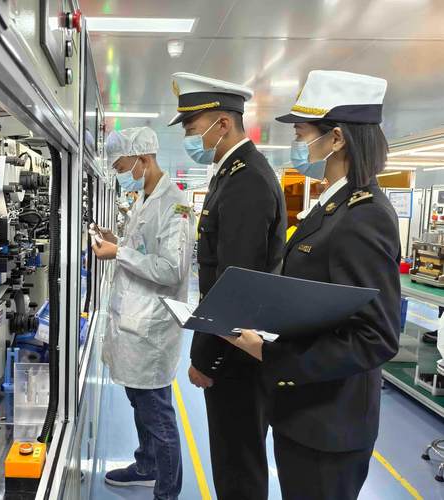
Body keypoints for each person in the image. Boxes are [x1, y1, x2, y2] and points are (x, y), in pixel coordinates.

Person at [225, 70, 400, 500]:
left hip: (329, 425)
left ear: (336, 138)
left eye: (302, 132)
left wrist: (270, 354)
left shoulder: (364, 216)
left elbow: (376, 337)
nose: (297, 142)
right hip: (304, 412)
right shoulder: (333, 206)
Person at [169, 72, 287, 500]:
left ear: (222, 123)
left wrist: (206, 358)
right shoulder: (232, 173)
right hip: (232, 343)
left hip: (235, 352)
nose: (189, 137)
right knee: (233, 457)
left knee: (237, 461)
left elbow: (235, 281)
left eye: (192, 127)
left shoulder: (247, 180)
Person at [92, 127, 195, 500]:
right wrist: (116, 241)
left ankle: (167, 491)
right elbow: (144, 248)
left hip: (152, 329)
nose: (121, 173)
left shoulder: (176, 205)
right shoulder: (144, 198)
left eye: (122, 166)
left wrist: (119, 253)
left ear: (143, 159)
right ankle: (147, 465)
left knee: (157, 414)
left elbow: (171, 269)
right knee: (140, 402)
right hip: (134, 322)